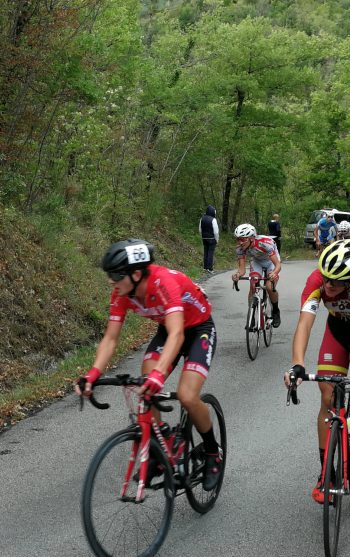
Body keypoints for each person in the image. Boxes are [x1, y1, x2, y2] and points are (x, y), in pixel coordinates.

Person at [77, 239, 224, 491]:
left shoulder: (162, 282)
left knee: (188, 396)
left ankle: (212, 453)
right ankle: (161, 442)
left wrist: (159, 375)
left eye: (115, 275)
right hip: (168, 330)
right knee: (146, 383)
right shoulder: (122, 293)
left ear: (136, 273)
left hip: (197, 328)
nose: (110, 281)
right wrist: (93, 373)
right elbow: (110, 338)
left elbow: (178, 334)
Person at [283, 239, 350, 503]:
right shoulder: (317, 279)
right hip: (338, 330)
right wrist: (297, 364)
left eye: (335, 282)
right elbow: (305, 325)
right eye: (326, 279)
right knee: (327, 395)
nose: (328, 285)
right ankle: (327, 474)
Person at [231, 223, 282, 327]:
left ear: (251, 238)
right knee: (253, 285)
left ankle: (276, 311)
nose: (240, 242)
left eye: (242, 239)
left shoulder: (265, 244)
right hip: (257, 261)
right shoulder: (240, 248)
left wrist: (274, 273)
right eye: (238, 239)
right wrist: (237, 275)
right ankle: (252, 316)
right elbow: (242, 270)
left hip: (271, 262)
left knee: (269, 286)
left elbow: (278, 265)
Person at [199, 206, 220, 273]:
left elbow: (200, 229)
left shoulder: (202, 218)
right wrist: (217, 239)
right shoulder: (213, 219)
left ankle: (205, 267)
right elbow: (216, 232)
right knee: (210, 253)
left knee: (205, 252)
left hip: (204, 238)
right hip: (212, 238)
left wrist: (202, 236)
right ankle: (210, 268)